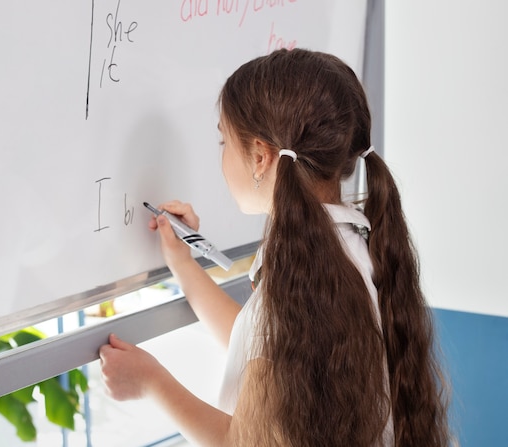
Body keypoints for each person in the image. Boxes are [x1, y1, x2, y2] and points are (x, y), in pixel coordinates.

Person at [99, 48, 450, 446]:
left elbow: (243, 440)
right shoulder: (358, 246)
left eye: (223, 142)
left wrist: (150, 381)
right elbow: (268, 349)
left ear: (261, 157)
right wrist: (184, 265)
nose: (221, 157)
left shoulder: (296, 286)